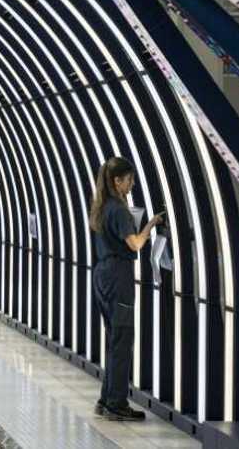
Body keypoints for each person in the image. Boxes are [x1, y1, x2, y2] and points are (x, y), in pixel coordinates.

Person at [89, 157, 164, 421]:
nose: (132, 183)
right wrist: (151, 225)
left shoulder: (101, 206)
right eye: (129, 179)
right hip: (118, 277)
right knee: (122, 342)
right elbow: (135, 244)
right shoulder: (119, 210)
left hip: (101, 275)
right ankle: (116, 404)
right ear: (116, 181)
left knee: (113, 340)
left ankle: (105, 399)